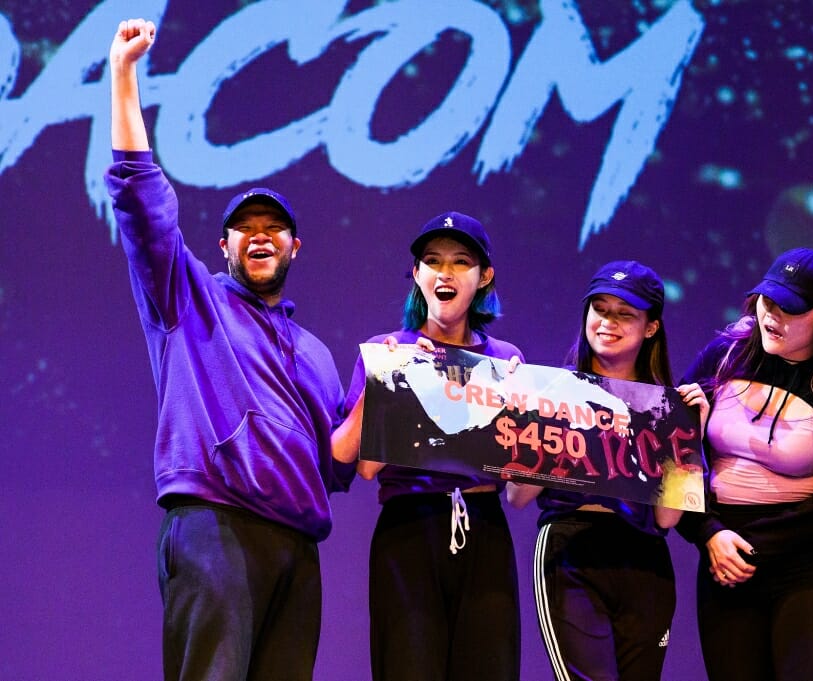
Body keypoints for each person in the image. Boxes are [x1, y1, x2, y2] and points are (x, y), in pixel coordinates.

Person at [105, 19, 355, 680]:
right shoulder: (189, 297)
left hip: (299, 548)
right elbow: (141, 197)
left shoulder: (317, 354)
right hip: (216, 527)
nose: (260, 236)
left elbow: (338, 463)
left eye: (274, 228)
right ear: (224, 246)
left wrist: (398, 384)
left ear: (296, 247)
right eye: (245, 228)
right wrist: (123, 75)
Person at [676, 247, 813, 681]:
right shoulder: (724, 355)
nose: (772, 316)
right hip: (724, 557)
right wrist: (707, 533)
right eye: (767, 301)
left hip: (807, 565)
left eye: (790, 309)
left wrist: (744, 545)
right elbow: (669, 452)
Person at [332, 211, 523, 681]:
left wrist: (524, 411)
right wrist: (384, 382)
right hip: (409, 529)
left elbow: (517, 477)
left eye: (461, 262)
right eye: (433, 261)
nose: (446, 272)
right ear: (416, 275)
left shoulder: (506, 360)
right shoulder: (386, 349)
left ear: (484, 278)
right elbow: (355, 462)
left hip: (484, 528)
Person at [506, 260, 709, 681]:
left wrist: (692, 435)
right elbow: (517, 497)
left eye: (625, 314)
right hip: (570, 550)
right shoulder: (553, 391)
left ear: (651, 327)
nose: (607, 322)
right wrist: (529, 417)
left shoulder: (666, 407)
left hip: (644, 559)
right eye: (599, 309)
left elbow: (668, 518)